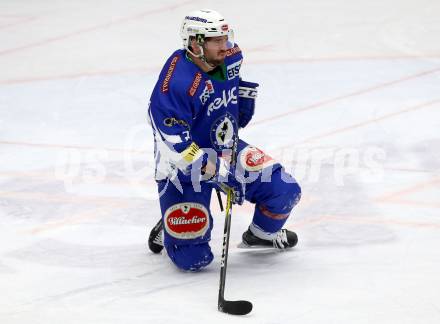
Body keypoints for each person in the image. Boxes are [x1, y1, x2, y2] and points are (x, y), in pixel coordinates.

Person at [147, 9, 301, 271]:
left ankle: (260, 235)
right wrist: (215, 170)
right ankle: (168, 226)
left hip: (224, 149)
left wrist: (241, 100)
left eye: (225, 37)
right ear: (195, 43)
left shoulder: (230, 57)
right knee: (193, 261)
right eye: (216, 40)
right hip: (182, 168)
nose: (225, 45)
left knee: (284, 190)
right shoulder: (175, 84)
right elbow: (175, 144)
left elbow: (227, 84)